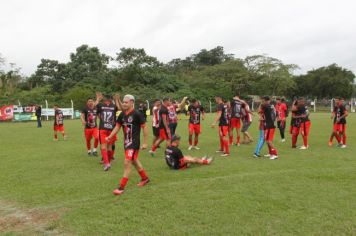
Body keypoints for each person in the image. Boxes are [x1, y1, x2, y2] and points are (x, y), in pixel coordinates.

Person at [107, 94, 150, 196]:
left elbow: (145, 127)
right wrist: (110, 136)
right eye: (123, 102)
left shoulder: (137, 114)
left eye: (126, 102)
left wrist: (145, 142)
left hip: (134, 143)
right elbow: (117, 127)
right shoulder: (122, 115)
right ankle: (145, 179)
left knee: (127, 162)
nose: (124, 104)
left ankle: (121, 187)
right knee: (134, 161)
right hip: (126, 143)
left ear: (132, 102)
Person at [96, 93, 120, 171]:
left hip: (106, 128)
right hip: (109, 129)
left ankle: (107, 163)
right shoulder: (112, 106)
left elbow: (93, 107)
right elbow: (119, 108)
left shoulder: (101, 105)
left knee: (107, 147)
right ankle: (107, 163)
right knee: (107, 147)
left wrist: (97, 99)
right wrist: (116, 100)